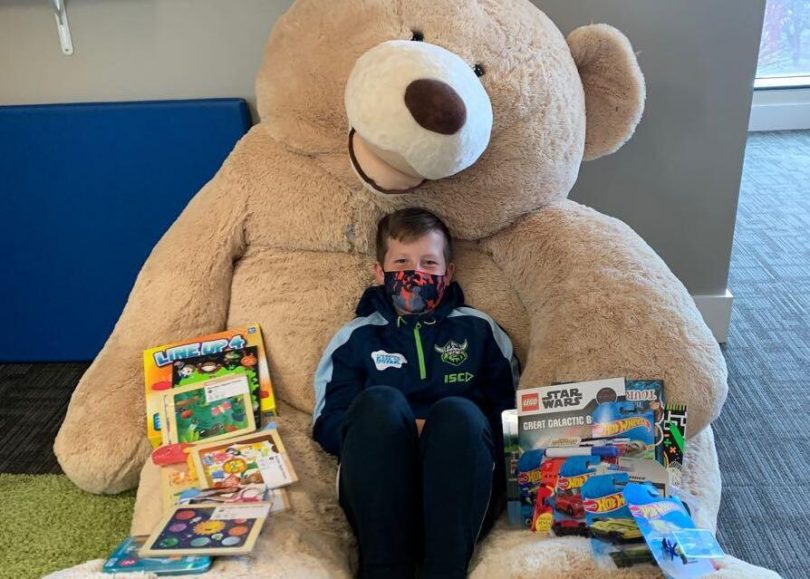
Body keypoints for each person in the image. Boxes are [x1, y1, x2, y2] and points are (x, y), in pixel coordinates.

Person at [312, 207, 519, 579]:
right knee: (380, 403)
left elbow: (511, 419)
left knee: (458, 412)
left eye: (429, 262)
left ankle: (446, 570)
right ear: (380, 271)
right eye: (402, 261)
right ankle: (383, 569)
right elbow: (328, 422)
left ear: (447, 272)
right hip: (380, 481)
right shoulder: (355, 338)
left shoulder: (481, 330)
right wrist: (403, 434)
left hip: (460, 480)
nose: (416, 273)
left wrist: (437, 434)